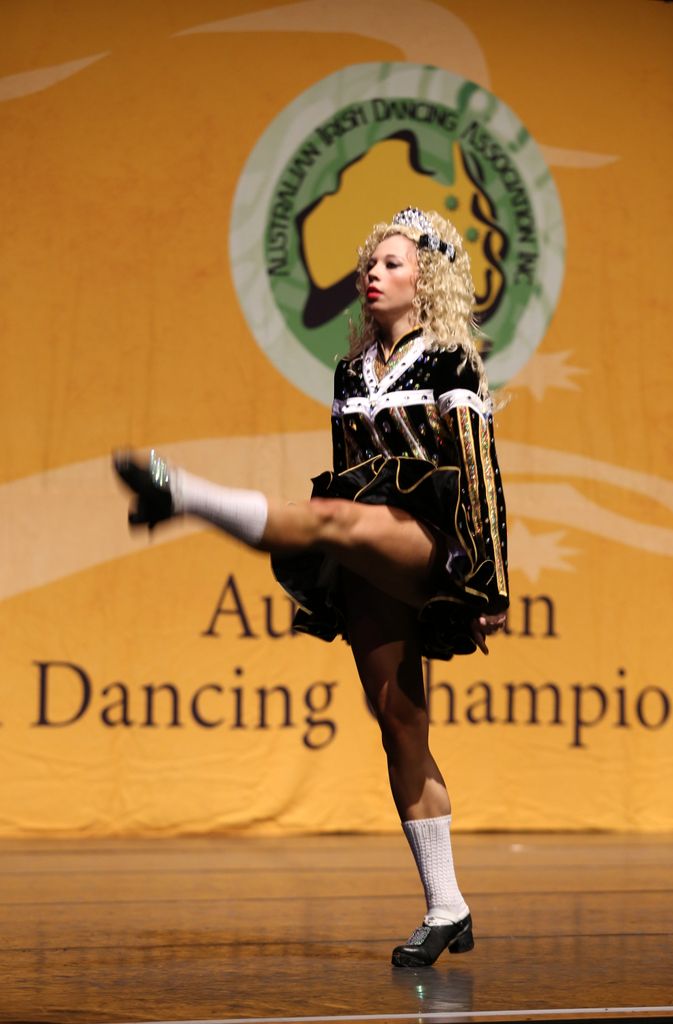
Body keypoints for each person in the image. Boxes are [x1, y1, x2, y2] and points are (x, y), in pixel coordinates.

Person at [113, 207, 509, 968]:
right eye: (369, 264)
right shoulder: (350, 372)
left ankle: (183, 493)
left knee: (329, 520)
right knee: (399, 726)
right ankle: (447, 906)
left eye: (391, 264)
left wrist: (488, 587)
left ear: (427, 279)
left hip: (428, 541)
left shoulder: (449, 363)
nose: (372, 274)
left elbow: (481, 473)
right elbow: (349, 471)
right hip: (364, 546)